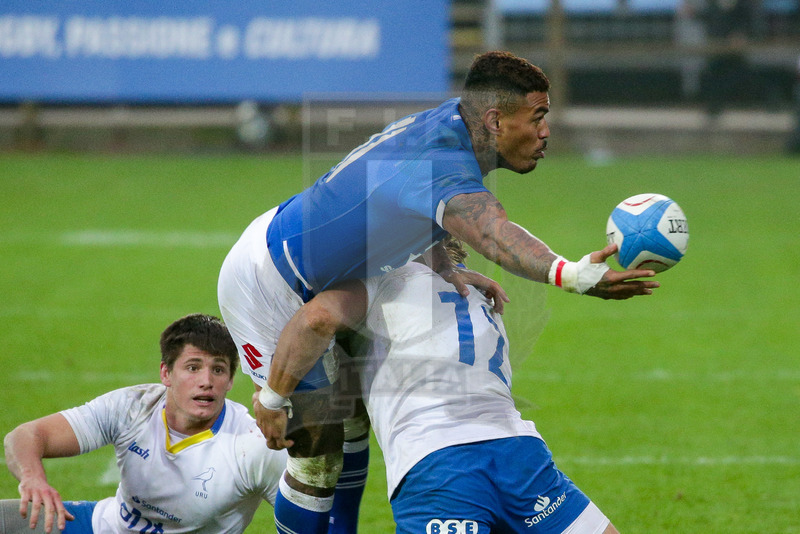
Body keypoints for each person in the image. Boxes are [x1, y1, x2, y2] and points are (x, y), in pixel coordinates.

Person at [218, 50, 658, 534]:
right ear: (494, 120)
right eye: (537, 117)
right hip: (271, 281)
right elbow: (492, 233)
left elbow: (401, 204)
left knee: (351, 428)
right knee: (318, 450)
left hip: (316, 257)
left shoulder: (454, 123)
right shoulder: (443, 161)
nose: (546, 131)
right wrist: (571, 275)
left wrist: (444, 265)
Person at [265, 239, 622, 533]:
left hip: (438, 465)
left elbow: (316, 320)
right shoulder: (481, 298)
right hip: (520, 454)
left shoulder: (382, 282)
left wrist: (272, 398)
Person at [1, 314, 287, 534]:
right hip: (106, 526)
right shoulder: (132, 406)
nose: (206, 381)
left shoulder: (253, 446)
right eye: (193, 367)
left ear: (230, 381)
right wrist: (33, 478)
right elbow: (25, 436)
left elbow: (311, 517)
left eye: (219, 369)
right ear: (166, 373)